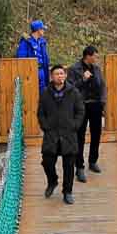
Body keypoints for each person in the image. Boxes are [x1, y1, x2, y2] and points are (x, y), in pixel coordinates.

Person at [38, 62, 86, 204]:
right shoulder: (46, 93)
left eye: (62, 74)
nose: (60, 76)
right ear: (51, 77)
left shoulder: (73, 92)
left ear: (65, 75)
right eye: (56, 74)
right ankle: (52, 181)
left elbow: (80, 111)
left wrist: (75, 125)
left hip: (68, 133)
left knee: (69, 164)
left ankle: (68, 191)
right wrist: (45, 126)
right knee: (47, 161)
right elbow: (41, 113)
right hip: (51, 133)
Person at [70, 44, 107, 176]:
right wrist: (83, 79)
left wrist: (102, 102)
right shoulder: (74, 69)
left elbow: (102, 85)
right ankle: (79, 166)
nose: (97, 59)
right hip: (81, 105)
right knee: (79, 136)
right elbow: (70, 88)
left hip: (96, 105)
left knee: (96, 134)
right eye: (95, 56)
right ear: (88, 56)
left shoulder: (96, 69)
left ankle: (93, 161)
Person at [13, 20, 51, 87]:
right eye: (42, 29)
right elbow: (21, 59)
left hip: (42, 71)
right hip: (31, 72)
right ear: (38, 30)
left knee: (43, 93)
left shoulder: (42, 42)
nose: (44, 31)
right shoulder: (26, 42)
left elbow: (45, 58)